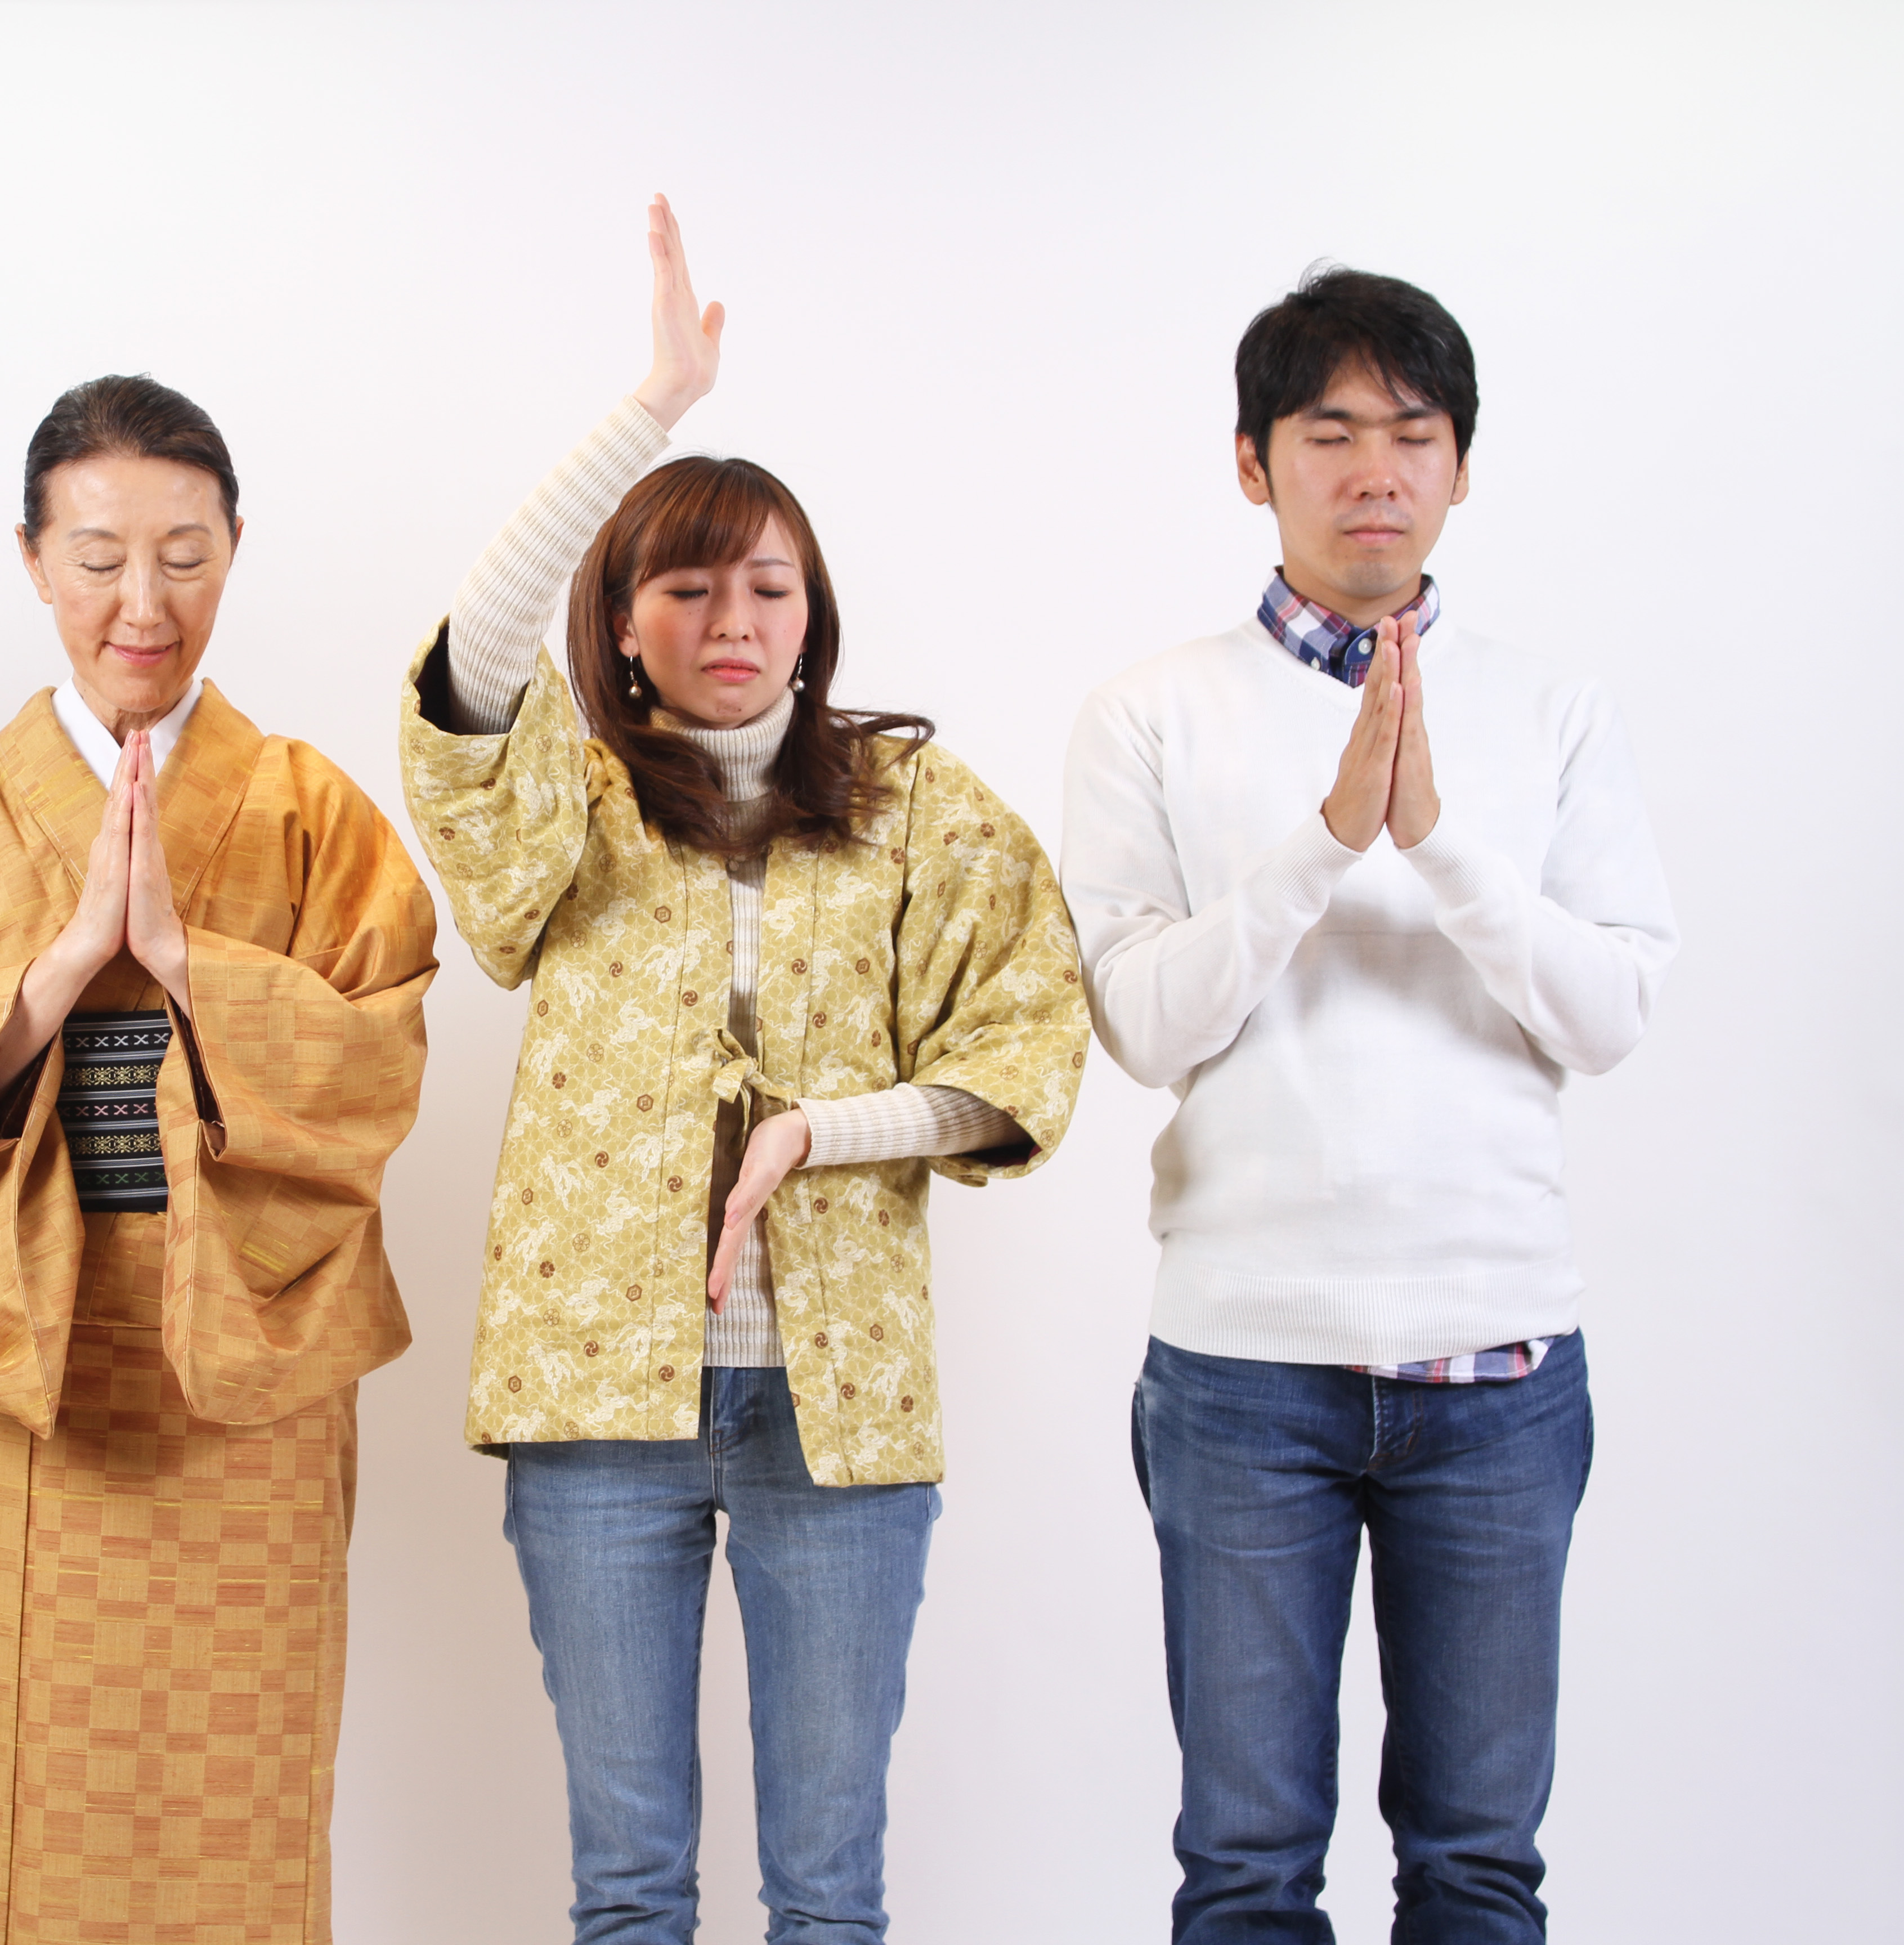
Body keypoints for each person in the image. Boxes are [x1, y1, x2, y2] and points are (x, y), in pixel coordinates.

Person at [398, 199, 1091, 1945]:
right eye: (688, 585)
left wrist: (828, 1132)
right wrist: (650, 410)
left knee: (829, 1895)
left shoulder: (917, 808)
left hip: (837, 1414)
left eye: (770, 586)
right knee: (631, 1889)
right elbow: (471, 665)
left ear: (814, 615)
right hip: (597, 1407)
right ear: (624, 621)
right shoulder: (565, 801)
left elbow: (1024, 1036)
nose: (734, 617)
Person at [1062, 267, 1678, 1943]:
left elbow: (1612, 1012)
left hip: (1499, 1366)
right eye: (1328, 432)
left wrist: (1438, 844)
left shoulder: (1554, 710)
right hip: (1245, 1369)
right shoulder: (1152, 713)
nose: (1375, 470)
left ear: (1462, 467)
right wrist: (1328, 838)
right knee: (1246, 1869)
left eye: (1413, 432)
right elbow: (1141, 1024)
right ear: (1252, 463)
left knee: (1478, 1866)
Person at [0, 373, 437, 1944]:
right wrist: (55, 976)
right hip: (7, 1366)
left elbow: (377, 1067)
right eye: (98, 558)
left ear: (235, 552)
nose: (143, 604)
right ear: (34, 560)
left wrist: (181, 963)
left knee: (235, 1801)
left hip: (240, 1371)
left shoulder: (312, 813)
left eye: (184, 555)